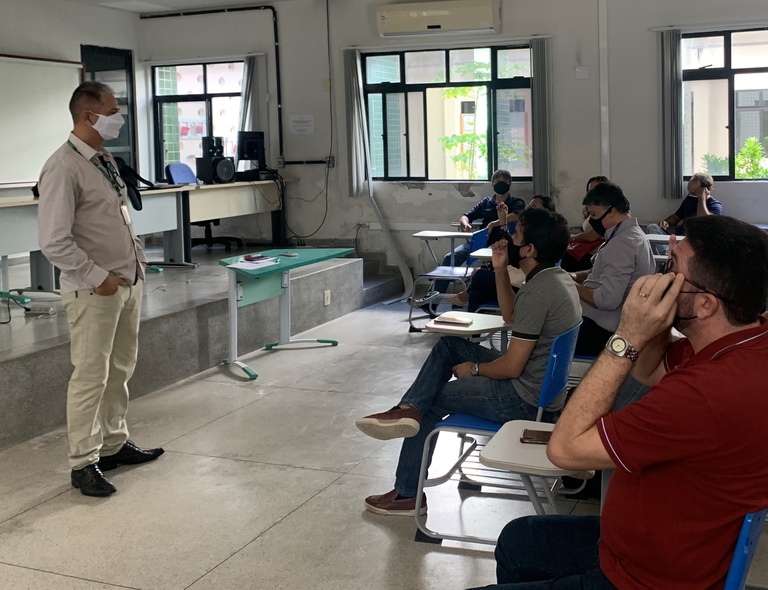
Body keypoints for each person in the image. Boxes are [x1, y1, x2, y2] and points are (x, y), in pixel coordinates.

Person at [474, 215, 768, 589]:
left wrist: (627, 334)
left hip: (646, 578)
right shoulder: (742, 343)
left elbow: (564, 450)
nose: (659, 279)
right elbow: (649, 369)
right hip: (645, 544)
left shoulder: (707, 392)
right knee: (520, 541)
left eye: (671, 269)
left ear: (706, 304)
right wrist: (656, 323)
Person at [355, 207, 581, 516]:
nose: (508, 238)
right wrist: (500, 269)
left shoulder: (539, 292)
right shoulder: (556, 278)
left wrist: (475, 369)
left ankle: (407, 493)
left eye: (516, 235)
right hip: (541, 389)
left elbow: (512, 367)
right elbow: (511, 315)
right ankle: (408, 409)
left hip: (523, 399)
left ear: (529, 250)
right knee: (449, 346)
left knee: (432, 401)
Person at [37, 81, 164, 497]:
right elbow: (54, 241)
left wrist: (136, 265)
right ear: (88, 116)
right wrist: (99, 278)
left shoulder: (103, 160)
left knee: (120, 370)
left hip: (127, 281)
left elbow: (118, 218)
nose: (118, 118)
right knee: (91, 375)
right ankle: (83, 462)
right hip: (94, 290)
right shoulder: (63, 167)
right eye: (112, 111)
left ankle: (112, 444)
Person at [569, 182, 655, 356]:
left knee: (544, 339)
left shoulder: (621, 244)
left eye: (594, 214)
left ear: (612, 211)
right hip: (605, 324)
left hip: (600, 330)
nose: (592, 221)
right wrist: (574, 276)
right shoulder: (631, 235)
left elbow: (607, 300)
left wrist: (571, 286)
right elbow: (601, 272)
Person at [422, 169, 526, 306]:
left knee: (486, 266)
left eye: (504, 182)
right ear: (492, 184)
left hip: (499, 244)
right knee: (451, 257)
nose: (501, 184)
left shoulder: (516, 202)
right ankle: (431, 301)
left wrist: (493, 224)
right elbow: (466, 216)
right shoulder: (486, 202)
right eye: (497, 182)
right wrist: (466, 225)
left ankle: (468, 297)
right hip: (479, 242)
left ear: (510, 184)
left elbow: (517, 215)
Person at [451, 195, 556, 310]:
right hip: (514, 279)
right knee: (477, 291)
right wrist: (503, 221)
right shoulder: (528, 230)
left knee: (480, 277)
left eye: (534, 207)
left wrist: (502, 222)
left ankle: (465, 297)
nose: (529, 209)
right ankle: (473, 314)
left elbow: (512, 253)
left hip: (522, 285)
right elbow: (510, 246)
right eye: (529, 206)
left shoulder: (539, 237)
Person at [646, 172, 722, 236]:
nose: (690, 195)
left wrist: (701, 198)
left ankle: (666, 249)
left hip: (696, 240)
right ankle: (666, 248)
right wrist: (665, 223)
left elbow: (704, 222)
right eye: (689, 192)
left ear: (708, 190)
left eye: (694, 193)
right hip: (680, 238)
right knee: (652, 227)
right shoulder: (689, 199)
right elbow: (676, 218)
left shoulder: (715, 205)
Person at [560, 175, 609, 273]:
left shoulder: (605, 210)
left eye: (596, 190)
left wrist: (572, 237)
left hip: (593, 254)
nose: (592, 194)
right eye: (589, 191)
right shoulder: (592, 209)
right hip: (586, 250)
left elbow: (592, 236)